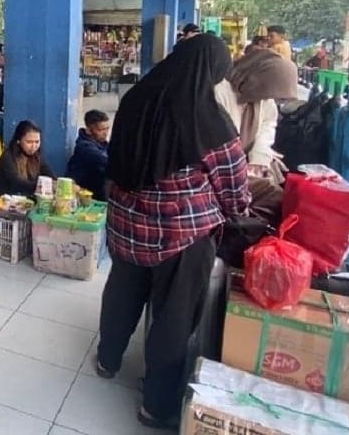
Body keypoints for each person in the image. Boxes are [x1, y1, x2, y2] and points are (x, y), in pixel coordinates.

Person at [97, 34, 250, 430]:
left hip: (127, 228)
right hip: (180, 240)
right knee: (173, 318)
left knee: (121, 294)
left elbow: (114, 163)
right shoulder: (210, 120)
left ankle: (107, 359)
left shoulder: (133, 101)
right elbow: (233, 189)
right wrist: (234, 212)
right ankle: (156, 404)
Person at [215, 48, 297, 220]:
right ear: (258, 79)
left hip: (244, 165)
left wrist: (259, 159)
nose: (273, 98)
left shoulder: (264, 100)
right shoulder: (220, 92)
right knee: (274, 197)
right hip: (223, 170)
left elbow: (268, 125)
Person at [0, 120, 54, 196]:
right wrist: (39, 187)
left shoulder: (37, 156)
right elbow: (16, 181)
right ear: (18, 141)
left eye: (37, 142)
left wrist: (56, 183)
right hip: (8, 200)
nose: (34, 146)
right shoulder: (7, 157)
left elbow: (47, 172)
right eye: (29, 142)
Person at [66, 110, 111, 201]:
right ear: (89, 130)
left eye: (107, 129)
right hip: (84, 195)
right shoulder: (84, 147)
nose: (105, 133)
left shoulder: (102, 144)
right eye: (101, 130)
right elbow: (106, 161)